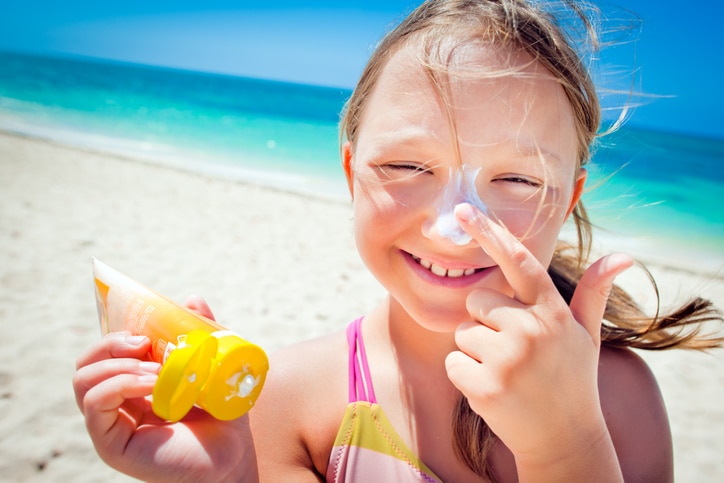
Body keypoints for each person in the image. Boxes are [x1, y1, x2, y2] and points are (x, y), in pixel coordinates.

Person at [73, 0, 722, 481]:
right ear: (352, 171)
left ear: (569, 200)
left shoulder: (617, 398)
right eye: (408, 167)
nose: (450, 226)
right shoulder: (291, 399)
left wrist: (568, 444)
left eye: (519, 179)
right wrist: (230, 476)